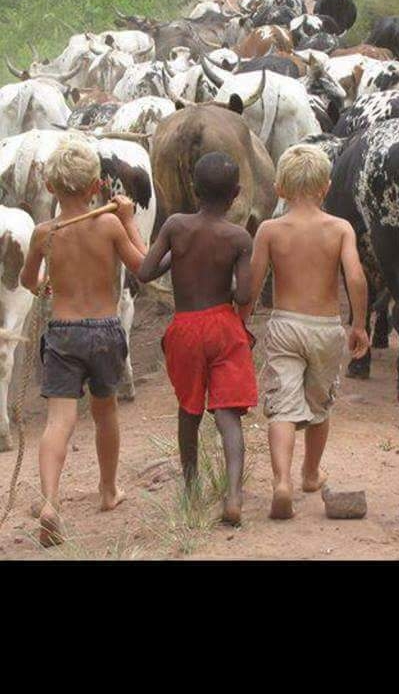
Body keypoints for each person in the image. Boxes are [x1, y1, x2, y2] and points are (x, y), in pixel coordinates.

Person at [20, 137, 147, 547]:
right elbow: (143, 266)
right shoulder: (108, 223)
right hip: (105, 330)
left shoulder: (45, 234)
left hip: (62, 332)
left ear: (50, 188)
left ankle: (50, 502)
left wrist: (44, 287)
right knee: (105, 412)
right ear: (97, 187)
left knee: (59, 421)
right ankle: (108, 490)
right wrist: (129, 219)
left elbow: (27, 281)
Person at [240, 144, 369, 520]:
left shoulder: (269, 230)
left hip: (285, 325)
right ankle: (310, 473)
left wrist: (242, 319)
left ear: (279, 188)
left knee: (282, 405)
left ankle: (281, 482)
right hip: (325, 327)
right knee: (319, 405)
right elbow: (356, 277)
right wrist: (358, 324)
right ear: (326, 187)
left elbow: (253, 279)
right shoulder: (340, 228)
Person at [137, 152, 257, 527]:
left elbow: (144, 271)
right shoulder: (239, 237)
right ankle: (233, 495)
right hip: (223, 327)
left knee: (189, 410)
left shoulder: (175, 226)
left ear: (193, 188)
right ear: (236, 194)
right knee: (228, 413)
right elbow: (243, 297)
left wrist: (176, 257)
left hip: (185, 328)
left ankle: (191, 490)